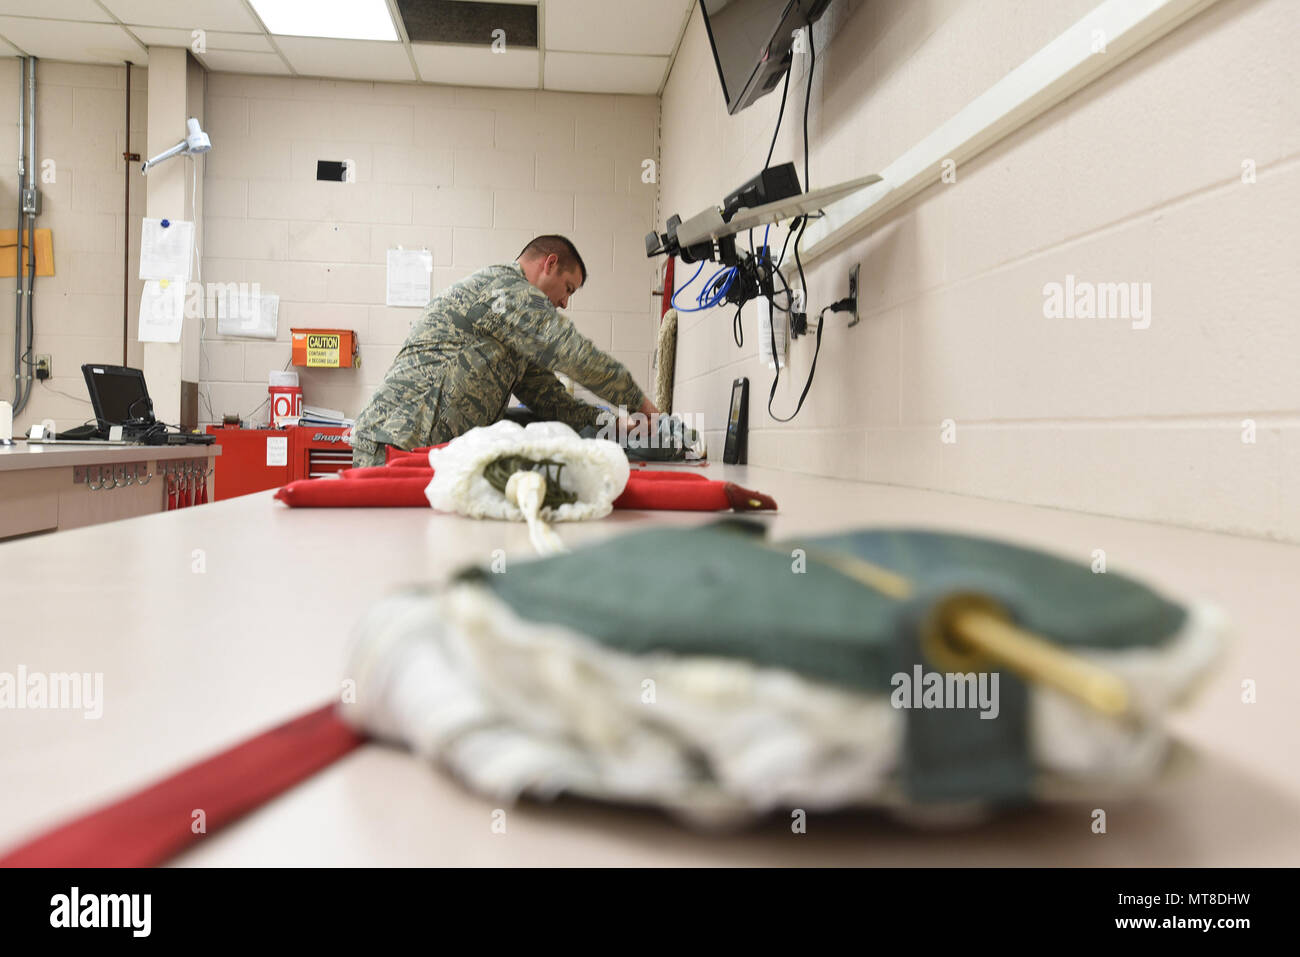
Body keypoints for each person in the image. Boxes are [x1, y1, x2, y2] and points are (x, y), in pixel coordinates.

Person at [351, 235, 658, 468]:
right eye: (568, 288)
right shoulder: (506, 290)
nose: (565, 302)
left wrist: (613, 423)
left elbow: (549, 399)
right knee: (391, 546)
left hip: (426, 448)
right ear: (549, 264)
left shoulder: (516, 331)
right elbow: (574, 354)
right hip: (396, 441)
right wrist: (642, 405)